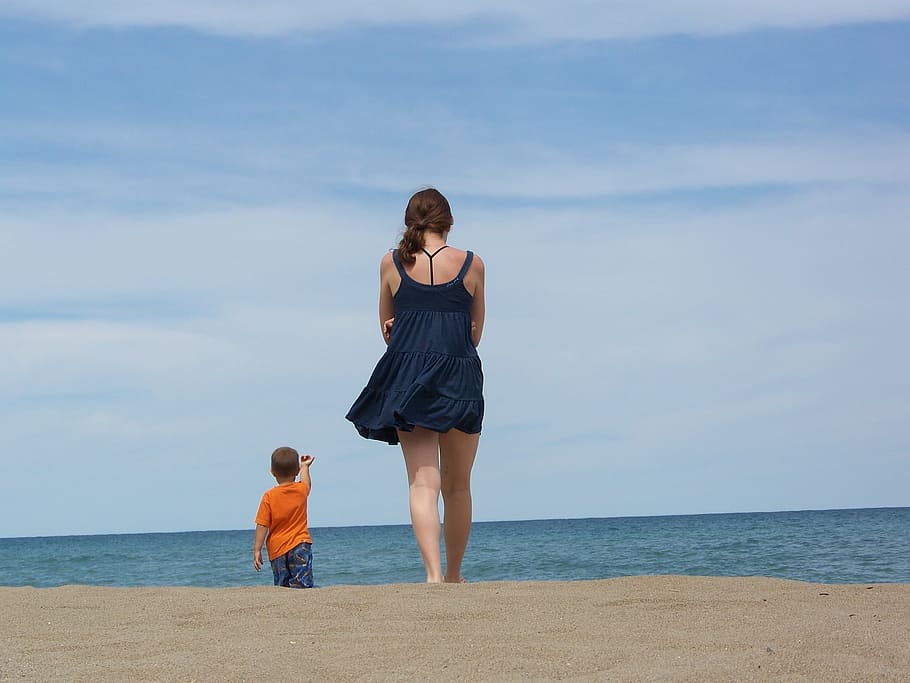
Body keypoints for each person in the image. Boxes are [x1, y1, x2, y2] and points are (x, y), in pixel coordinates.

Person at [346, 187, 485, 584]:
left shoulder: (390, 264)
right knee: (458, 486)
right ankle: (456, 575)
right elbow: (475, 336)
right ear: (449, 222)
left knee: (423, 483)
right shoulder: (472, 265)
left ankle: (434, 576)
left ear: (409, 222)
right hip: (458, 376)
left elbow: (386, 331)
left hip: (408, 378)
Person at [253, 447, 316, 588]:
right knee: (302, 583)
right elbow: (307, 482)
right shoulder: (300, 490)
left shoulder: (269, 496)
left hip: (277, 547)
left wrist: (257, 549)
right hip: (301, 544)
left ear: (272, 472)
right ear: (296, 471)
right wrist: (305, 466)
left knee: (282, 585)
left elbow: (262, 525)